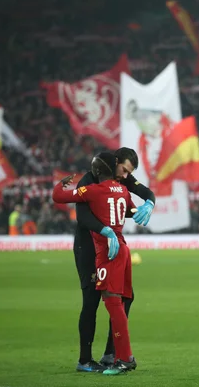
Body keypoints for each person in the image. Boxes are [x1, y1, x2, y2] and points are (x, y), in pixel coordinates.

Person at [71, 147, 156, 373]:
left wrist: (149, 204)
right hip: (88, 247)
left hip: (109, 247)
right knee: (92, 300)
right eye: (125, 170)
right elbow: (83, 217)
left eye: (129, 173)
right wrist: (106, 230)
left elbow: (146, 192)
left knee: (124, 298)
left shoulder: (121, 177)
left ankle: (111, 354)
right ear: (115, 162)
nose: (126, 177)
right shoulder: (88, 181)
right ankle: (85, 360)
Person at [53, 152, 138, 376]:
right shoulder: (123, 190)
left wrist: (60, 185)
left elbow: (59, 197)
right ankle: (113, 356)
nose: (127, 175)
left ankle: (123, 358)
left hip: (106, 253)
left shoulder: (92, 190)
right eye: (125, 170)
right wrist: (146, 206)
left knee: (113, 303)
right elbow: (131, 210)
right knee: (115, 301)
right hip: (120, 247)